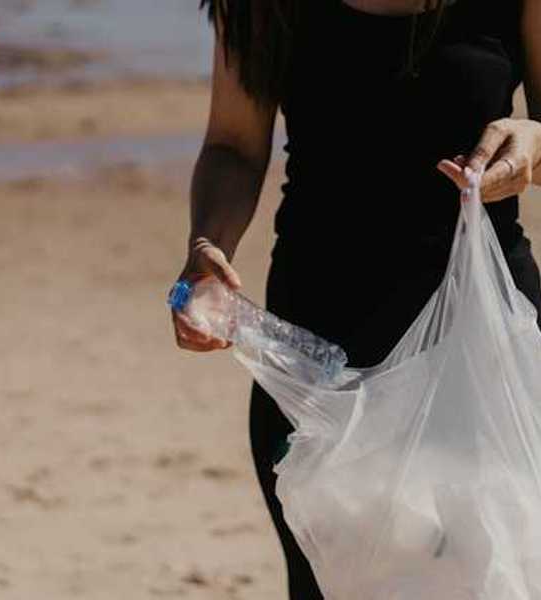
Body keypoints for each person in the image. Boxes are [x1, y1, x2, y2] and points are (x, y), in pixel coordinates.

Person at [170, 1, 541, 597]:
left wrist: (533, 144)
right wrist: (208, 244)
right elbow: (234, 145)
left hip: (481, 345)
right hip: (316, 353)